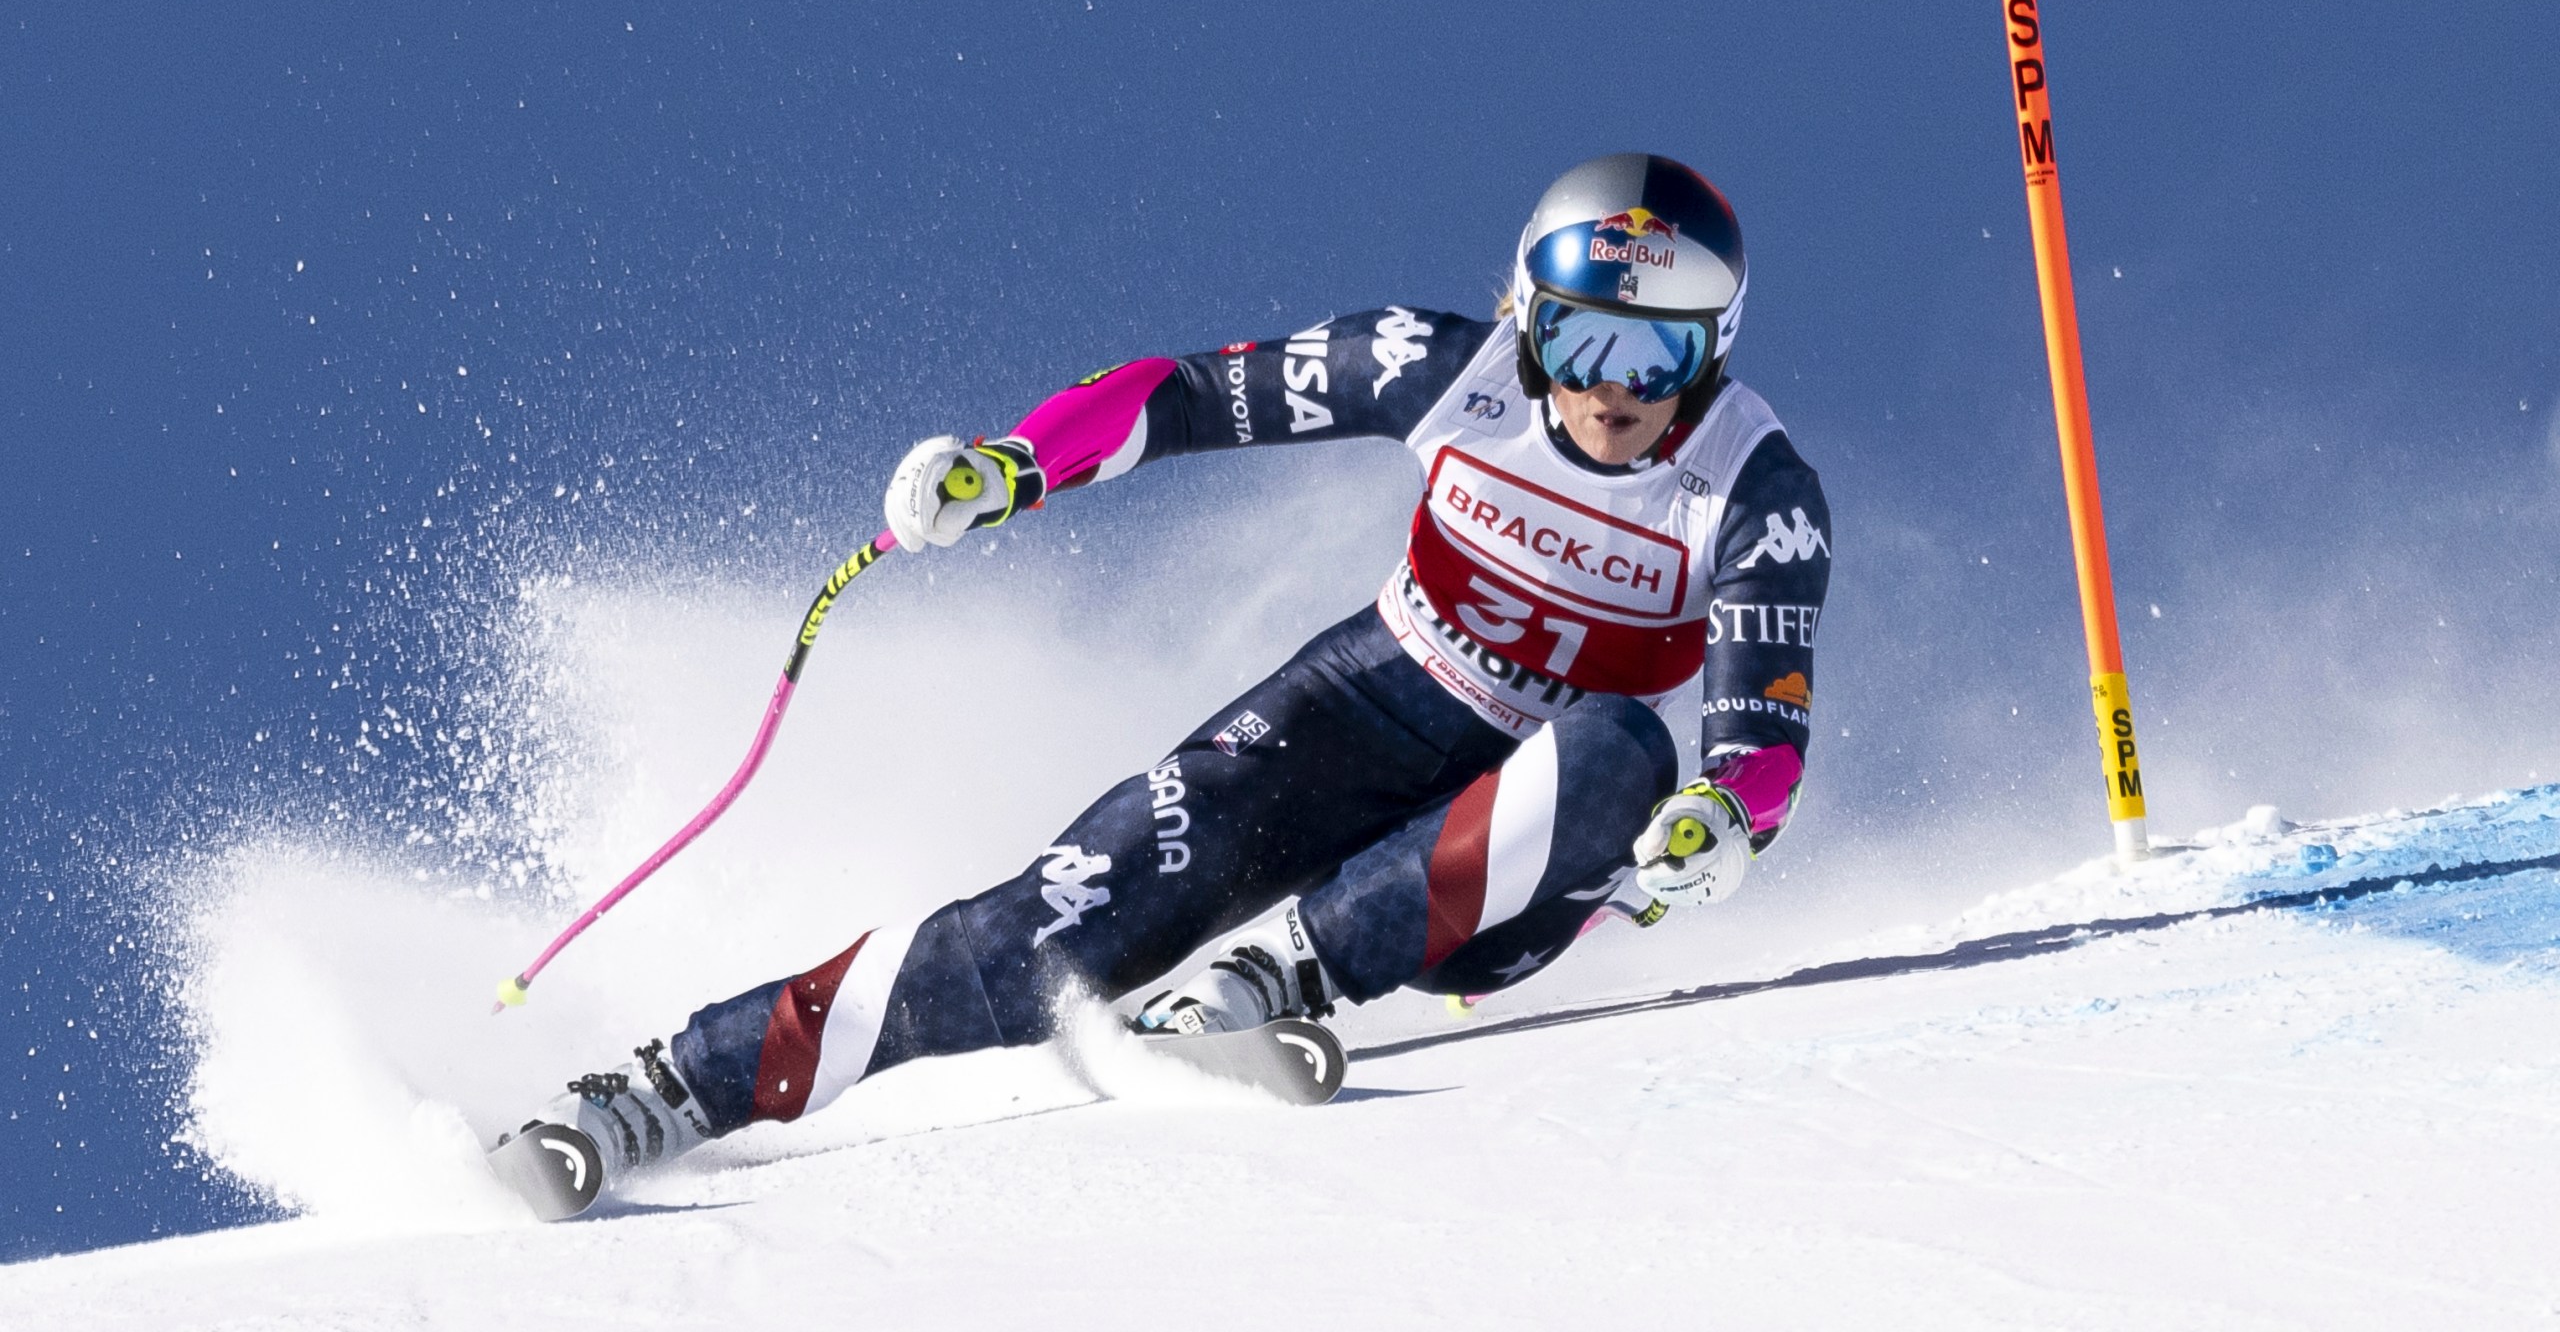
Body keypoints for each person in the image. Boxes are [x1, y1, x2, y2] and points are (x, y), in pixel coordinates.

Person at [515, 152, 1832, 1182]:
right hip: (1362, 705)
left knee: (1627, 750)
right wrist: (1016, 463)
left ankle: (1272, 985)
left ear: (1716, 349)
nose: (1619, 391)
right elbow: (1195, 392)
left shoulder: (1753, 486)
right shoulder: (1442, 372)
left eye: (1661, 350)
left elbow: (1761, 720)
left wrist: (1727, 818)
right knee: (1038, 931)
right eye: (1588, 340)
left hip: (1518, 860)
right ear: (1526, 324)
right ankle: (667, 1090)